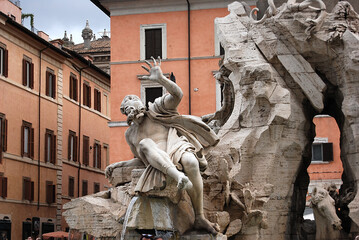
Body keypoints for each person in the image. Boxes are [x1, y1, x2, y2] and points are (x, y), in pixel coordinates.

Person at [106, 57, 219, 234]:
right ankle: (179, 177)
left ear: (140, 103)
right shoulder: (131, 134)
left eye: (132, 104)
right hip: (157, 163)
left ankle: (199, 216)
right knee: (145, 143)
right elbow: (140, 160)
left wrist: (160, 79)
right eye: (126, 110)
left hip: (175, 147)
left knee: (191, 162)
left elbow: (177, 95)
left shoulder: (157, 109)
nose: (129, 109)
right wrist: (117, 165)